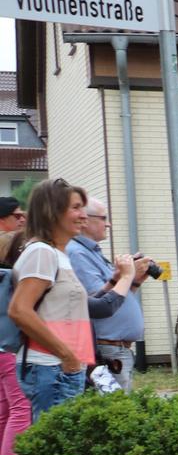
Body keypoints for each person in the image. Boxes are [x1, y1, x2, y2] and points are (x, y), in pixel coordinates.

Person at [8, 179, 105, 420]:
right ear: (52, 212)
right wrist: (66, 355)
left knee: (63, 448)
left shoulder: (57, 254)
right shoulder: (42, 252)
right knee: (55, 449)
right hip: (50, 366)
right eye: (75, 208)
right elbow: (19, 310)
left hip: (61, 366)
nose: (84, 215)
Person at [67, 199, 151, 392]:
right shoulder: (78, 254)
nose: (109, 224)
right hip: (108, 347)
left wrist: (135, 280)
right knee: (116, 411)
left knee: (118, 408)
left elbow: (116, 298)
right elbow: (101, 303)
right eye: (104, 218)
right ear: (85, 220)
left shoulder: (92, 253)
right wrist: (127, 275)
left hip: (117, 348)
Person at [0, 231, 35, 455]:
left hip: (1, 351)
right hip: (11, 349)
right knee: (22, 407)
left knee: (4, 410)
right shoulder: (11, 280)